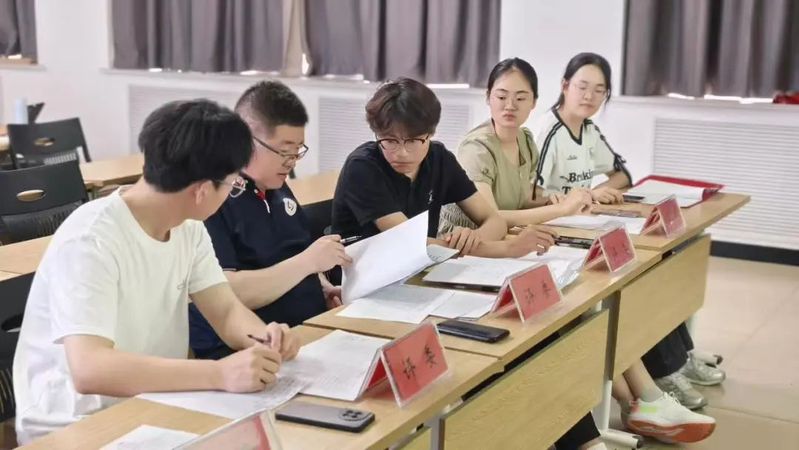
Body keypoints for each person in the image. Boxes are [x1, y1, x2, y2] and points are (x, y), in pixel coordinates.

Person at [446, 56, 717, 444]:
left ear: (534, 101)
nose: (510, 106)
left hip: (518, 245)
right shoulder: (477, 148)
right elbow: (491, 216)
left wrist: (556, 199)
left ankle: (644, 399)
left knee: (602, 297)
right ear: (487, 97)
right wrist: (561, 208)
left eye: (520, 98)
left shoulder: (525, 140)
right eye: (501, 96)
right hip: (477, 257)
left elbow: (522, 200)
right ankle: (641, 402)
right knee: (577, 307)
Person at [12, 100, 300, 444]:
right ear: (201, 190)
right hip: (74, 424)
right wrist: (219, 373)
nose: (233, 193)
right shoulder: (91, 239)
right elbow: (90, 369)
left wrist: (265, 340)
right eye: (233, 185)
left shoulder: (188, 227)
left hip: (155, 400)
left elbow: (225, 311)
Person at [536, 52, 726, 409]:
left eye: (599, 90)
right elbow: (533, 195)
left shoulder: (588, 130)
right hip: (559, 235)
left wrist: (597, 193)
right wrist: (584, 196)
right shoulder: (549, 131)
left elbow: (623, 175)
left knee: (662, 263)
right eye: (582, 86)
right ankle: (666, 371)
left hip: (588, 224)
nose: (589, 96)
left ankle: (680, 356)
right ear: (564, 85)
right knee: (638, 275)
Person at [190, 81, 352, 360]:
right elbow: (224, 292)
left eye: (298, 150)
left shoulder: (275, 185)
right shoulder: (214, 196)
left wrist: (321, 287)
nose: (292, 161)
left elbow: (294, 252)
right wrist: (307, 263)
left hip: (305, 333)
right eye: (284, 151)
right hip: (246, 350)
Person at [331, 77, 556, 258]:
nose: (401, 152)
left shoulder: (439, 158)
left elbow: (494, 220)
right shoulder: (362, 168)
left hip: (419, 269)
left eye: (413, 140)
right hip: (363, 280)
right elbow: (409, 242)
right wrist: (507, 248)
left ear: (431, 133)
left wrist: (472, 239)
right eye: (389, 140)